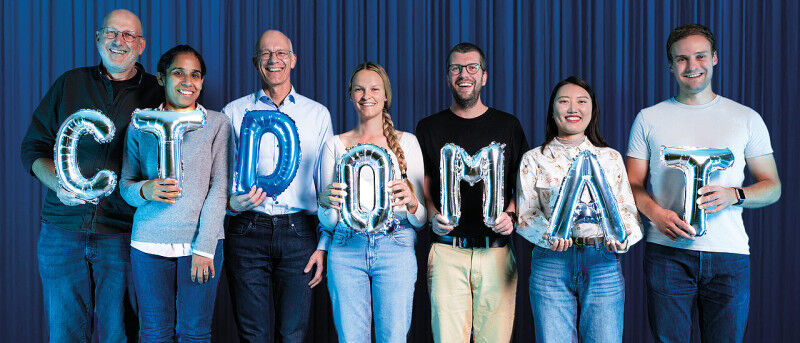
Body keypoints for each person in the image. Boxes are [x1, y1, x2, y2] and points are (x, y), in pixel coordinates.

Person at [626, 24, 781, 342]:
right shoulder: (648, 118)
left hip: (729, 255)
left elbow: (772, 186)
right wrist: (655, 213)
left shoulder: (745, 118)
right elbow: (631, 184)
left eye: (699, 56)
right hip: (667, 254)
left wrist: (734, 194)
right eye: (681, 59)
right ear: (670, 65)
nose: (691, 66)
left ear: (715, 58)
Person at [19, 9, 161, 342]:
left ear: (141, 45)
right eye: (111, 33)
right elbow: (33, 147)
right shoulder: (70, 83)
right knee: (65, 334)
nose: (119, 41)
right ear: (98, 38)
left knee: (119, 333)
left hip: (123, 236)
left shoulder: (158, 93)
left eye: (128, 35)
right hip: (61, 232)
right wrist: (58, 183)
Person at [222, 29, 333, 343]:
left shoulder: (318, 115)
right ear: (256, 61)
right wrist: (232, 205)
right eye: (266, 54)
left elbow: (327, 188)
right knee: (252, 334)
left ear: (293, 60)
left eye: (281, 53)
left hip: (299, 234)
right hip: (245, 231)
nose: (274, 60)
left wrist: (322, 246)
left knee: (293, 334)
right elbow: (221, 180)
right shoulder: (233, 112)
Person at [415, 42, 528, 343]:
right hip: (447, 251)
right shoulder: (428, 128)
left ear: (484, 76)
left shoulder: (508, 125)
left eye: (471, 68)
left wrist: (512, 214)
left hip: (496, 253)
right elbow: (423, 182)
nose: (463, 74)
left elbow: (522, 182)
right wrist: (432, 214)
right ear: (448, 75)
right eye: (456, 68)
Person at [516, 76, 643, 343]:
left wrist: (623, 239)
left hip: (602, 262)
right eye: (564, 101)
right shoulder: (534, 158)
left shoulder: (610, 158)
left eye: (581, 101)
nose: (573, 108)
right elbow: (526, 215)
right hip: (550, 263)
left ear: (592, 110)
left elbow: (628, 211)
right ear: (552, 110)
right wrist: (550, 237)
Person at [119, 44, 229, 342]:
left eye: (195, 75)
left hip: (199, 244)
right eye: (178, 73)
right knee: (154, 332)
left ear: (202, 82)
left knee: (194, 332)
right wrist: (145, 189)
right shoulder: (140, 123)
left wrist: (205, 247)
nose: (187, 81)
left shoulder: (218, 123)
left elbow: (220, 188)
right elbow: (126, 186)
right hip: (147, 242)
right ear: (161, 78)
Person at [317, 62, 426, 343]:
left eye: (374, 88)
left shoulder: (408, 143)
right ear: (350, 96)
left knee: (393, 338)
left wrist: (413, 203)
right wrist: (325, 203)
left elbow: (421, 218)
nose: (367, 95)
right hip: (345, 247)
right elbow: (327, 221)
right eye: (359, 89)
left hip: (396, 245)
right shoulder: (334, 145)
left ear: (386, 95)